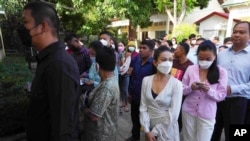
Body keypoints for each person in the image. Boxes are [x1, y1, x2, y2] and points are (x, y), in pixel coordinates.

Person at [19, 2, 80, 141]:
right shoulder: (48, 60)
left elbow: (63, 130)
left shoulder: (59, 65)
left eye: (26, 22)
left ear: (42, 26)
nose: (22, 28)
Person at [181, 40, 228, 141]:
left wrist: (209, 90)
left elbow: (222, 95)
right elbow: (182, 89)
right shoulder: (191, 69)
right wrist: (191, 88)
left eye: (208, 58)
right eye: (201, 58)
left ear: (215, 56)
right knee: (188, 138)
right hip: (188, 110)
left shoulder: (221, 72)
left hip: (207, 113)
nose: (204, 61)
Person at [212, 21, 250, 141]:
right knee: (213, 132)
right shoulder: (221, 54)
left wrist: (232, 88)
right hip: (217, 100)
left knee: (238, 135)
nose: (237, 34)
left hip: (241, 102)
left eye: (242, 32)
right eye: (235, 32)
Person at [140, 46, 183, 141]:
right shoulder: (146, 80)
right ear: (155, 62)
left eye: (170, 60)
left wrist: (154, 132)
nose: (168, 63)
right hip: (148, 127)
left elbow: (174, 114)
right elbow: (143, 107)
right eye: (164, 60)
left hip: (167, 129)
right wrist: (147, 130)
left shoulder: (177, 84)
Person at [82, 47, 120, 141]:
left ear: (97, 66)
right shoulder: (111, 80)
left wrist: (82, 107)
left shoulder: (106, 87)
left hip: (100, 135)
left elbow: (94, 116)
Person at [126, 40, 156, 141]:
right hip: (135, 96)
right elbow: (132, 78)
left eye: (144, 48)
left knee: (147, 122)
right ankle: (135, 137)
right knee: (135, 119)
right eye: (140, 48)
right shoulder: (136, 61)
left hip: (147, 100)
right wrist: (130, 93)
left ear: (151, 51)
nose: (141, 50)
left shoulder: (154, 65)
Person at [119, 45, 132, 112]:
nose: (127, 54)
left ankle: (126, 104)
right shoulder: (122, 55)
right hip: (120, 74)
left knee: (125, 90)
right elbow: (121, 65)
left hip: (126, 75)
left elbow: (128, 67)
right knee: (121, 90)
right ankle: (122, 102)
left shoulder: (132, 57)